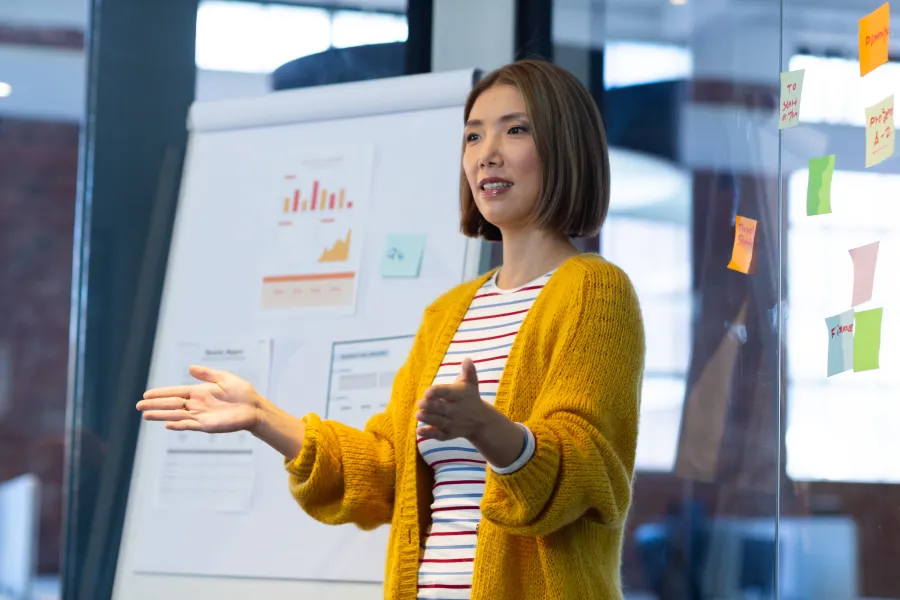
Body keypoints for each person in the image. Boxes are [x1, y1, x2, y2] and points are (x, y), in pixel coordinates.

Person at [137, 59, 645, 600]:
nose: (486, 153)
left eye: (515, 129)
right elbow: (387, 473)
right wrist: (264, 418)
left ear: (566, 147)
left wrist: (484, 427)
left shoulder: (594, 290)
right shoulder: (448, 313)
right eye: (473, 135)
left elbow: (591, 472)